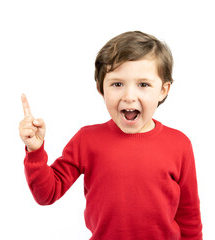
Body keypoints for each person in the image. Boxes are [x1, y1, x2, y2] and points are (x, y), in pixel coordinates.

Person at [19, 31, 203, 240]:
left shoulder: (179, 144)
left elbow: (189, 216)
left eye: (143, 84)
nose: (129, 96)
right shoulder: (86, 140)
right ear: (101, 88)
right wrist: (35, 151)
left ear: (163, 90)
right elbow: (47, 194)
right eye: (117, 84)